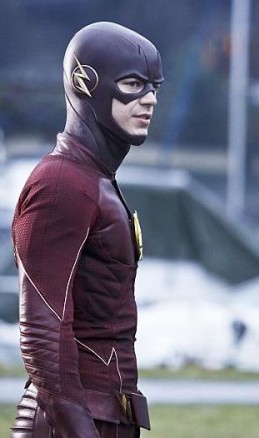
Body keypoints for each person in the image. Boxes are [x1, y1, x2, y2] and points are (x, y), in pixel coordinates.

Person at [10, 21, 163, 437]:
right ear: (85, 83)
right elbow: (42, 332)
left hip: (101, 418)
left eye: (154, 87)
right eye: (133, 84)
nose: (150, 98)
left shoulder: (92, 179)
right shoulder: (62, 184)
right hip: (70, 423)